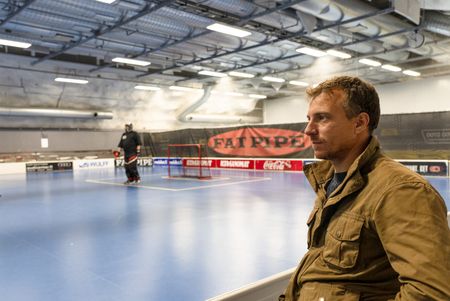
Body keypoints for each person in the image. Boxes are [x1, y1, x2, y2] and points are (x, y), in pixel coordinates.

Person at [281, 76, 450, 300]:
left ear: (360, 123)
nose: (308, 130)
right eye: (309, 119)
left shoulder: (401, 191)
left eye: (322, 118)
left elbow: (430, 293)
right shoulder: (329, 182)